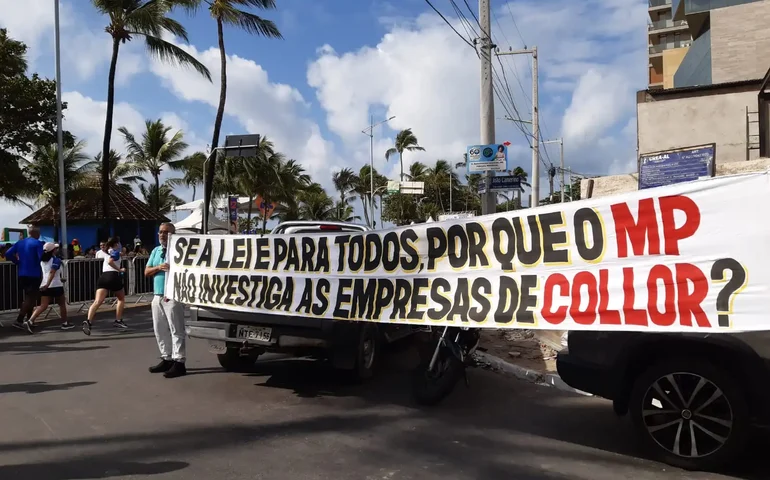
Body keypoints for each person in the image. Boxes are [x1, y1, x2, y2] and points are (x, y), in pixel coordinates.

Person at [145, 222, 186, 378]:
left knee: (176, 329)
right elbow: (147, 271)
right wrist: (158, 268)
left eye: (166, 232)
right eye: (161, 232)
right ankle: (166, 357)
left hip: (173, 294)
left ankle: (179, 361)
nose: (162, 235)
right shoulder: (156, 251)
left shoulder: (179, 251)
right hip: (157, 295)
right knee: (159, 329)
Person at [82, 237, 128, 335]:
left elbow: (120, 254)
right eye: (119, 243)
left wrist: (123, 251)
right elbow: (111, 261)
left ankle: (88, 321)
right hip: (113, 275)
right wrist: (120, 270)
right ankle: (118, 320)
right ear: (116, 244)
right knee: (121, 298)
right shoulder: (114, 252)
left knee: (97, 301)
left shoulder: (108, 251)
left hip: (103, 277)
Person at [26, 243, 74, 331]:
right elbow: (52, 272)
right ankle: (64, 323)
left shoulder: (42, 261)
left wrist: (47, 284)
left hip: (45, 285)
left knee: (43, 305)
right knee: (62, 304)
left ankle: (30, 320)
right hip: (55, 285)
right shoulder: (56, 260)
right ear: (53, 250)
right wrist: (49, 283)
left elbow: (48, 273)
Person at [4, 225, 44, 331]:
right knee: (31, 297)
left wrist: (17, 262)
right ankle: (19, 320)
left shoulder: (20, 242)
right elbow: (41, 257)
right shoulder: (37, 243)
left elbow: (8, 253)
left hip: (22, 273)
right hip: (34, 274)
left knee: (29, 297)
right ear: (36, 234)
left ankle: (29, 320)